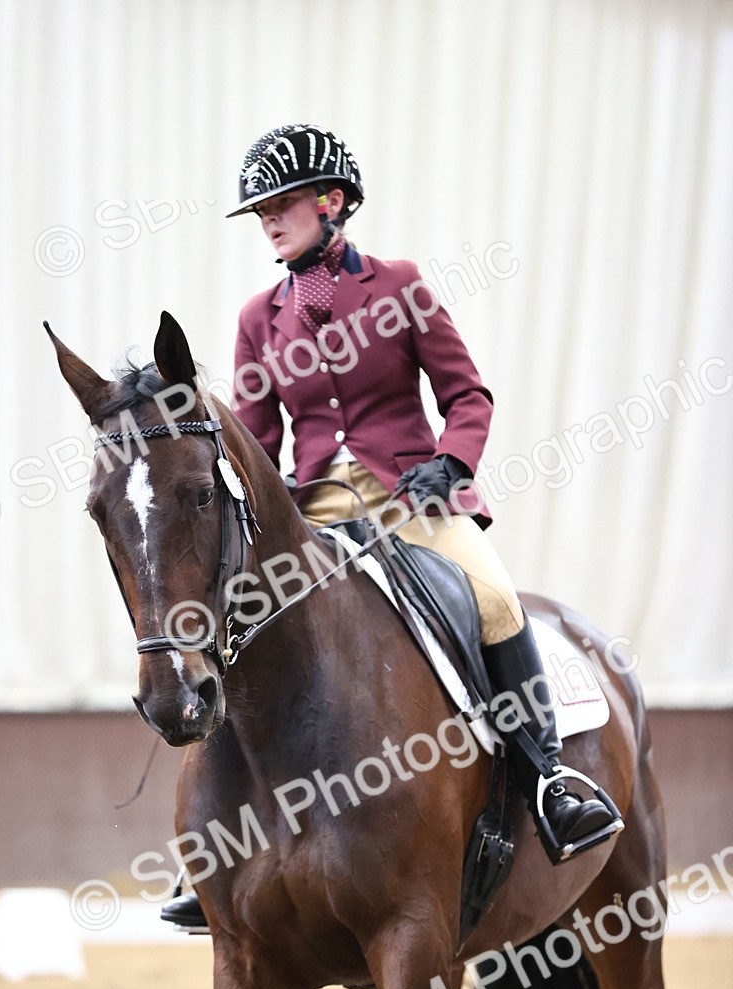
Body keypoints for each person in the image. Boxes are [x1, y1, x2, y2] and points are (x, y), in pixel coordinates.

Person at [162, 123, 620, 929]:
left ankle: (549, 779)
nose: (268, 220)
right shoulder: (257, 317)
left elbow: (468, 395)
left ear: (331, 203)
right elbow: (260, 440)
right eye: (260, 210)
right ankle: (222, 843)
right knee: (229, 622)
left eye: (282, 203)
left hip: (415, 502)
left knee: (496, 601)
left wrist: (452, 460)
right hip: (313, 511)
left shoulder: (400, 284)